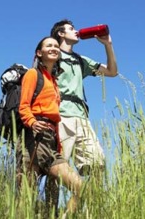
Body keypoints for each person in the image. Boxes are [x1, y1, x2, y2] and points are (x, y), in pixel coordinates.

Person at [18, 36, 83, 216]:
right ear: (39, 53)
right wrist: (32, 122)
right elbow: (23, 106)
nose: (54, 48)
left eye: (56, 46)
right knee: (26, 199)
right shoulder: (33, 74)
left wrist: (58, 144)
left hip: (51, 141)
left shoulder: (53, 81)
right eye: (49, 45)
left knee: (80, 187)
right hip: (33, 140)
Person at [50, 19, 118, 176]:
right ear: (61, 33)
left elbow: (112, 72)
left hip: (82, 118)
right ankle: (51, 202)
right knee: (58, 167)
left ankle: (90, 200)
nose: (76, 31)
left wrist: (108, 44)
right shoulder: (52, 55)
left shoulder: (81, 60)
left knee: (97, 164)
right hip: (60, 116)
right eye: (71, 28)